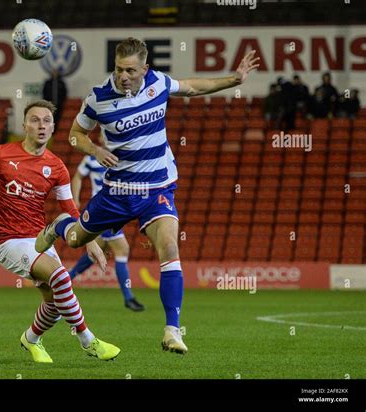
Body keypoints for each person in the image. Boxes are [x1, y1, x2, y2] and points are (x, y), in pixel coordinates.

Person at [35, 38, 259, 355]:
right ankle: (58, 225)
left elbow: (194, 87)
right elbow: (75, 134)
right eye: (118, 69)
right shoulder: (99, 97)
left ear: (145, 69)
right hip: (117, 192)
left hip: (157, 188)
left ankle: (172, 331)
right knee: (75, 240)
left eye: (130, 70)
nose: (123, 76)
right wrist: (95, 149)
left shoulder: (159, 83)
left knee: (168, 245)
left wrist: (234, 79)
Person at [0, 100, 120, 363]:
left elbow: (70, 208)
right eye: (35, 120)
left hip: (38, 239)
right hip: (8, 241)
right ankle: (88, 341)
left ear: (53, 128)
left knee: (56, 304)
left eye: (46, 120)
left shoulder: (56, 166)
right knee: (61, 277)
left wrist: (89, 242)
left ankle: (31, 339)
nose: (41, 125)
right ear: (24, 125)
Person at [70, 136, 145, 312]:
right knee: (122, 249)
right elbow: (77, 177)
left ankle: (65, 278)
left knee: (99, 249)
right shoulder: (91, 157)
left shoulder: (121, 157)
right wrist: (75, 200)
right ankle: (128, 297)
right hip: (103, 210)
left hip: (115, 210)